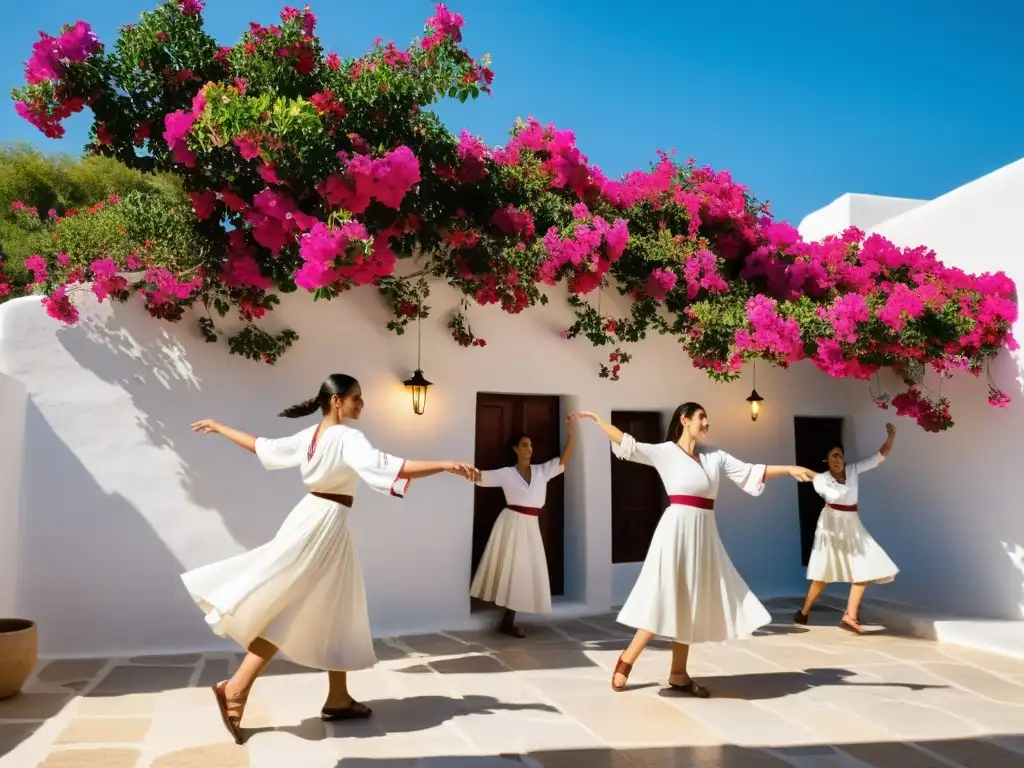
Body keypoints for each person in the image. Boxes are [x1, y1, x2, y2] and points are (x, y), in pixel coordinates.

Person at [182, 374, 478, 744]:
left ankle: (338, 698)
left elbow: (262, 446)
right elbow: (391, 465)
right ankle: (236, 688)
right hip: (322, 526)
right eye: (357, 398)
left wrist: (221, 427)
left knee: (337, 606)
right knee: (293, 608)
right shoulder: (346, 437)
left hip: (317, 520)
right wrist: (447, 464)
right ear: (337, 401)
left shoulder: (312, 435)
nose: (361, 404)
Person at [569, 403, 815, 698]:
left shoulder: (714, 456)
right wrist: (597, 419)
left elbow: (751, 471)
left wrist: (789, 469)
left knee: (690, 602)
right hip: (676, 531)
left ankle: (679, 674)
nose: (706, 422)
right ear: (685, 421)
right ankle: (628, 658)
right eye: (701, 417)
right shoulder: (665, 452)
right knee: (667, 596)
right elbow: (627, 443)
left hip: (704, 533)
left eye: (706, 417)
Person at [470, 418, 576, 638]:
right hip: (511, 523)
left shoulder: (542, 471)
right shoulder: (506, 473)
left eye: (530, 445)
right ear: (515, 449)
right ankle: (507, 619)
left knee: (525, 569)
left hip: (531, 525)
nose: (529, 449)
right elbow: (479, 477)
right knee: (512, 567)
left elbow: (564, 459)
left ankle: (509, 619)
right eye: (524, 445)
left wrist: (572, 435)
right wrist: (455, 468)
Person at [795, 423, 899, 634]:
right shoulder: (821, 479)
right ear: (827, 459)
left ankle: (850, 616)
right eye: (833, 456)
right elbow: (833, 495)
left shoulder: (852, 470)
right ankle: (804, 610)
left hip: (852, 523)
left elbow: (878, 457)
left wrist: (891, 437)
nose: (837, 459)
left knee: (866, 565)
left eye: (840, 455)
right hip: (831, 526)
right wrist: (817, 476)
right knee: (823, 575)